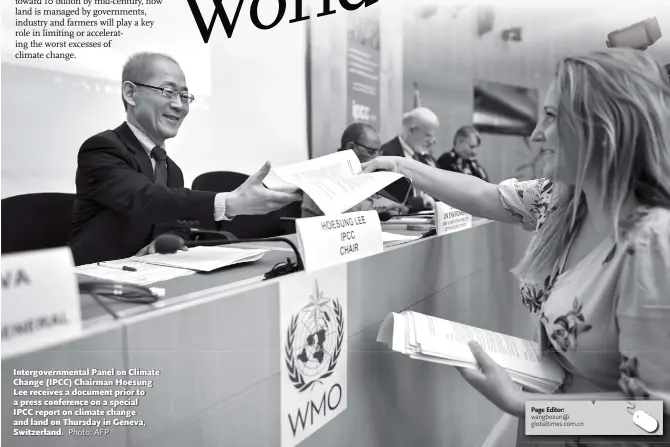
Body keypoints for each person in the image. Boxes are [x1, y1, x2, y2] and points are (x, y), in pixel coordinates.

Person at [362, 48, 670, 446]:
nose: (535, 134)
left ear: (603, 128)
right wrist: (402, 166)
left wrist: (524, 408)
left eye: (552, 116)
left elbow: (654, 420)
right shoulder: (562, 200)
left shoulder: (652, 244)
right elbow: (486, 195)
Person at [69, 52, 301, 266]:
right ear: (131, 94)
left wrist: (163, 242)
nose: (179, 105)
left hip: (151, 278)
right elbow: (145, 198)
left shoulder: (172, 169)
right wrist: (228, 203)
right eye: (168, 92)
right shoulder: (102, 149)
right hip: (94, 283)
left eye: (184, 95)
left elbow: (175, 223)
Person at [301, 122, 409, 218]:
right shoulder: (327, 172)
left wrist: (385, 210)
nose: (377, 159)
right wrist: (382, 211)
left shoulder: (357, 172)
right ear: (350, 148)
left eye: (379, 153)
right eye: (371, 152)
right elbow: (350, 218)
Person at [381, 107, 440, 209]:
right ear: (411, 130)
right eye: (428, 135)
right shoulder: (387, 155)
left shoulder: (423, 157)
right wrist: (422, 201)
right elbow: (390, 199)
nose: (433, 141)